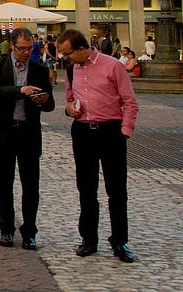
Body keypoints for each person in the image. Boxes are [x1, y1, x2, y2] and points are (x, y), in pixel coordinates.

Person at [56, 28, 139, 263]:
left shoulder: (112, 66)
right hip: (83, 132)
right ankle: (89, 239)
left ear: (82, 49)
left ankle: (119, 241)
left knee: (116, 189)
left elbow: (130, 102)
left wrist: (124, 132)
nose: (65, 58)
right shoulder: (71, 70)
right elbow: (70, 100)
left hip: (110, 131)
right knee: (86, 188)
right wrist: (69, 109)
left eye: (67, 53)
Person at [0, 27, 54, 250]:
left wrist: (42, 100)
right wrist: (20, 90)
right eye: (21, 48)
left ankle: (29, 231)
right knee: (3, 185)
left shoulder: (39, 70)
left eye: (29, 48)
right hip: (3, 132)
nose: (25, 52)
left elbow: (50, 104)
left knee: (30, 185)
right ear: (12, 46)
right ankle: (6, 229)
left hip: (28, 133)